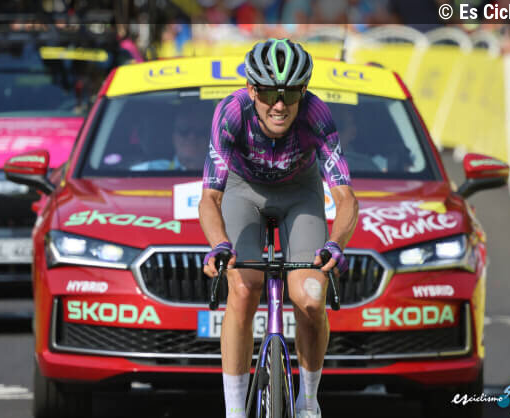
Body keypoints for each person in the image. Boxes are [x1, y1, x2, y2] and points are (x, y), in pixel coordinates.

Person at [198, 39, 359, 418]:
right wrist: (219, 244)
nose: (280, 105)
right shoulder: (231, 112)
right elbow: (210, 198)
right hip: (243, 190)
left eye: (291, 94)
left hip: (300, 191)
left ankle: (309, 401)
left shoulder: (316, 114)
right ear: (252, 89)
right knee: (243, 287)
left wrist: (336, 244)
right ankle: (235, 409)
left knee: (311, 297)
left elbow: (346, 198)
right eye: (270, 93)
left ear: (304, 91)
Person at [130, 112, 207, 171]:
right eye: (184, 130)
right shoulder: (147, 170)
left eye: (200, 131)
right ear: (173, 137)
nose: (192, 137)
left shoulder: (214, 174)